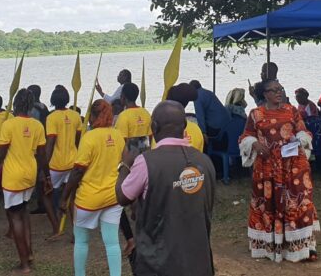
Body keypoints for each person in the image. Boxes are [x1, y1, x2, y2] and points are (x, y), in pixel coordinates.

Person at [117, 100, 217, 275]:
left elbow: (123, 197)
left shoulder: (146, 162)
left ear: (154, 127)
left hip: (159, 262)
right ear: (185, 126)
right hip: (199, 261)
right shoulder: (204, 161)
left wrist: (125, 165)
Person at [238, 80, 319, 262]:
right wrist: (256, 144)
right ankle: (273, 245)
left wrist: (299, 140)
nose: (278, 92)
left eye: (280, 89)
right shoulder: (255, 114)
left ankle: (303, 247)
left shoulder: (292, 110)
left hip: (293, 165)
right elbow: (245, 136)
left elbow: (303, 131)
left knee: (298, 203)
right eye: (273, 90)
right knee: (270, 204)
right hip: (267, 167)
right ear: (264, 94)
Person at [61, 99, 125, 276]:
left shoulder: (88, 138)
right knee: (112, 242)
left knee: (81, 241)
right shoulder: (118, 135)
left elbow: (77, 171)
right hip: (113, 197)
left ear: (93, 117)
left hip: (88, 199)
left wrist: (64, 197)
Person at [0, 89, 50, 273]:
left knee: (15, 216)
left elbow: (0, 153)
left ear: (16, 103)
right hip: (30, 174)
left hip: (13, 176)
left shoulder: (8, 125)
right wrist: (46, 176)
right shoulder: (37, 126)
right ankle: (29, 253)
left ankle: (24, 264)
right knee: (23, 212)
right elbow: (42, 155)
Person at [44, 85, 82, 237]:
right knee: (72, 197)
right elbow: (78, 140)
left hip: (56, 164)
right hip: (73, 162)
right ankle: (75, 232)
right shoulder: (75, 115)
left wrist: (44, 167)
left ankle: (55, 228)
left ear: (53, 100)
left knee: (45, 195)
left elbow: (50, 143)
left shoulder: (51, 117)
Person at [116, 83, 152, 148]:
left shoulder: (123, 116)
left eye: (121, 94)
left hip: (130, 156)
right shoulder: (146, 113)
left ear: (123, 97)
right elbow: (151, 137)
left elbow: (121, 141)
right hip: (145, 154)